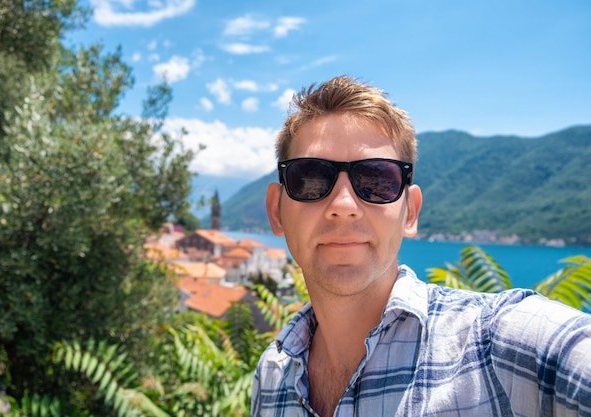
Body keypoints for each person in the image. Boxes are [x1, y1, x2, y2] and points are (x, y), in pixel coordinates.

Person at [251, 75, 591, 417]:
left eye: (376, 180)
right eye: (310, 179)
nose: (344, 204)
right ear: (276, 210)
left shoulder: (498, 348)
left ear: (410, 212)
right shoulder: (270, 377)